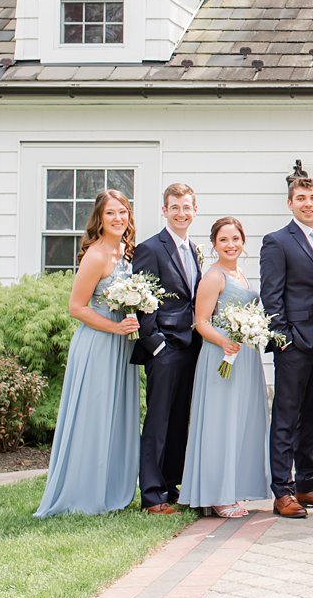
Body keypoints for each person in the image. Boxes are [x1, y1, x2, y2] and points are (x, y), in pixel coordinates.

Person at [35, 189, 141, 517]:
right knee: (94, 416)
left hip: (123, 344)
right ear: (99, 218)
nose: (118, 218)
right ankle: (83, 493)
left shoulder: (127, 253)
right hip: (97, 343)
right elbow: (76, 307)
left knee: (118, 415)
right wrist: (114, 328)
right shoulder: (95, 255)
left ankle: (112, 490)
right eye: (111, 213)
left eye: (122, 212)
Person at [260, 163, 313, 518]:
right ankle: (283, 490)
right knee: (286, 417)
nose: (308, 203)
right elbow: (271, 296)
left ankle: (307, 483)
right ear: (289, 203)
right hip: (294, 344)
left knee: (312, 417)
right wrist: (284, 338)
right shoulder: (277, 242)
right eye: (301, 198)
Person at [180, 217, 271, 518]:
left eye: (235, 239)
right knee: (221, 423)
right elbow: (200, 321)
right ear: (214, 244)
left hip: (244, 357)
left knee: (241, 423)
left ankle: (234, 487)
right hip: (221, 356)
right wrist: (224, 342)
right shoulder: (214, 276)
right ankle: (217, 494)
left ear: (243, 242)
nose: (230, 245)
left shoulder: (242, 274)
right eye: (224, 240)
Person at [131, 183, 203, 514]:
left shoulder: (194, 250)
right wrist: (155, 343)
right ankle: (152, 494)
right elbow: (144, 301)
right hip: (165, 347)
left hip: (192, 346)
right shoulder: (150, 248)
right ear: (165, 210)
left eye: (186, 207)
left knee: (179, 420)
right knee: (158, 421)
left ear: (194, 209)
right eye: (175, 207)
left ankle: (171, 485)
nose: (181, 213)